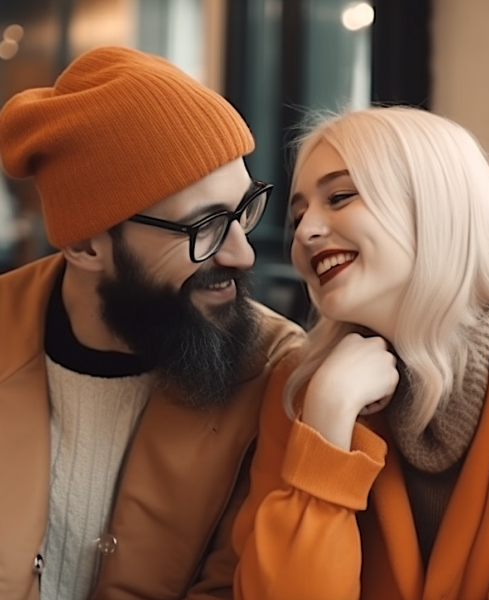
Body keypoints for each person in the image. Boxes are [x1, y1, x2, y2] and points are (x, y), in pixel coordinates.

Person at [231, 106, 489, 599]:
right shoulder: (305, 389)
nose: (304, 232)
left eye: (340, 197)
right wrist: (328, 423)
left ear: (436, 204)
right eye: (298, 216)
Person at [0, 46, 304, 600]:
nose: (242, 254)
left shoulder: (277, 370)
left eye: (242, 212)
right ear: (86, 244)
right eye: (204, 226)